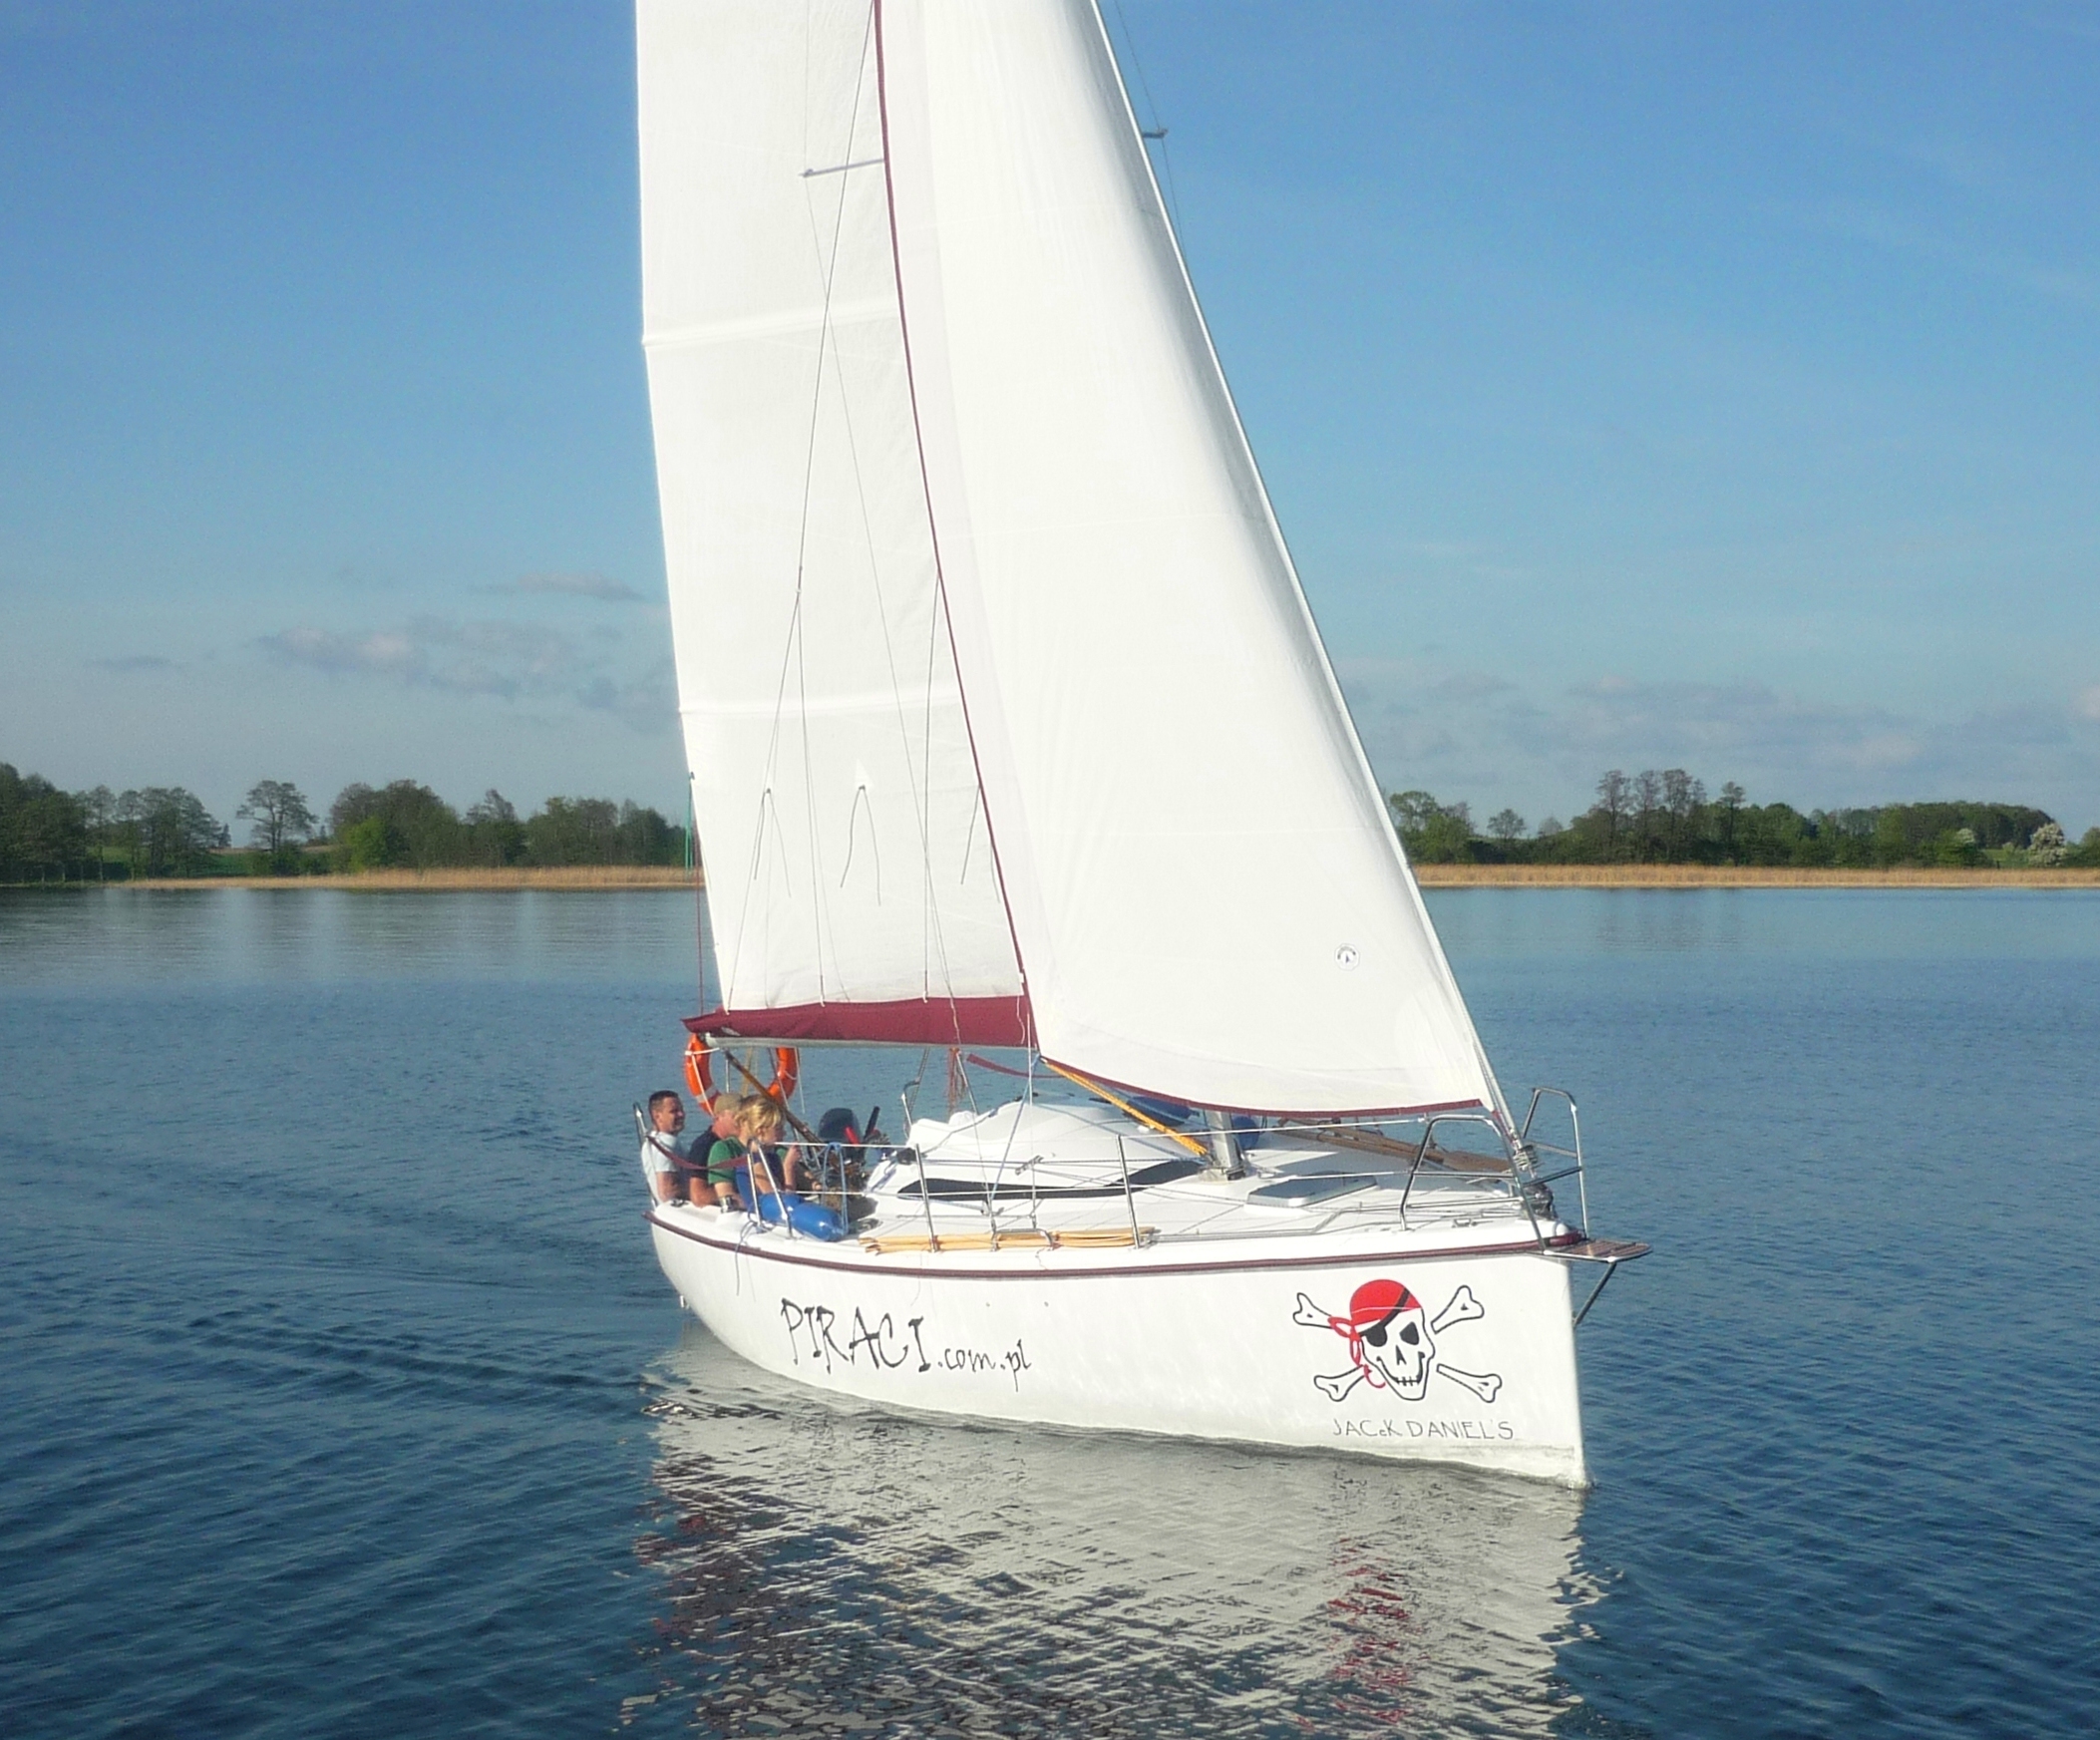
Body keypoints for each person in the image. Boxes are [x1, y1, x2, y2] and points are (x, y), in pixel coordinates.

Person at [639, 1090, 695, 1206]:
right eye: (674, 1111)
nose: (681, 1114)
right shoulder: (667, 1143)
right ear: (657, 1116)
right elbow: (667, 1192)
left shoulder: (650, 1142)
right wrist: (702, 1190)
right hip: (679, 1210)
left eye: (681, 1109)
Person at [702, 1091, 754, 1210]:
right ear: (718, 1117)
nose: (740, 1120)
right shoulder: (707, 1146)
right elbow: (699, 1196)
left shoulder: (761, 1147)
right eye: (735, 1115)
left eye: (744, 1116)